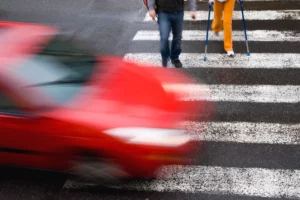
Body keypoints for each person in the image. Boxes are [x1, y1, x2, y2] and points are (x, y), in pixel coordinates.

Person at [147, 0, 197, 68]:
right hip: (163, 12)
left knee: (177, 37)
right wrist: (151, 8)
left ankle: (175, 57)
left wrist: (192, 8)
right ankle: (165, 57)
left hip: (178, 12)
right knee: (164, 37)